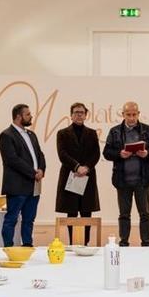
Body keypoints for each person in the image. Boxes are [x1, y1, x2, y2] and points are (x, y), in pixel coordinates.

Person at [103, 101, 149, 246]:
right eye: (128, 114)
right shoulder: (115, 131)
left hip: (143, 180)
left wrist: (147, 153)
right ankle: (124, 242)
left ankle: (146, 242)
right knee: (124, 214)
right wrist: (119, 154)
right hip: (122, 180)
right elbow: (106, 152)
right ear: (123, 114)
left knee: (145, 214)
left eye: (134, 114)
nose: (131, 117)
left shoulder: (147, 130)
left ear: (138, 114)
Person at [0, 104, 46, 247]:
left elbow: (40, 154)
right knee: (11, 219)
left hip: (34, 186)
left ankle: (27, 246)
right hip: (17, 186)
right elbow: (12, 160)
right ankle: (8, 247)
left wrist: (42, 170)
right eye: (28, 114)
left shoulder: (31, 134)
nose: (31, 116)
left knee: (29, 219)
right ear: (18, 116)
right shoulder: (6, 135)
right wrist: (33, 173)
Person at [55, 102, 100, 245]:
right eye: (76, 112)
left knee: (87, 211)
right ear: (71, 115)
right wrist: (76, 167)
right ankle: (73, 242)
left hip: (87, 176)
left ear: (86, 115)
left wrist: (86, 167)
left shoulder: (92, 133)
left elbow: (96, 154)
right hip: (71, 175)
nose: (79, 115)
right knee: (71, 211)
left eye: (81, 112)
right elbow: (62, 154)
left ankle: (85, 242)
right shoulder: (62, 133)